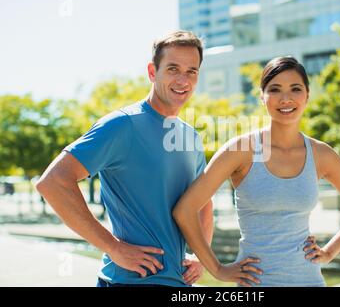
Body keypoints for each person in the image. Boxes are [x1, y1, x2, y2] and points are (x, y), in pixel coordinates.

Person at [173, 56, 340, 287]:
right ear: (262, 97)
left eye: (295, 89)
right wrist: (217, 269)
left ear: (307, 95)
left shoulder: (321, 154)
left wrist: (329, 252)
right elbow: (185, 210)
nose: (285, 98)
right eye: (275, 89)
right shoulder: (241, 150)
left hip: (310, 281)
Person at [35, 31, 213, 287]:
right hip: (128, 281)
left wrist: (201, 256)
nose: (182, 79)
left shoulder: (190, 136)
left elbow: (202, 202)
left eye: (191, 71)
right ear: (153, 72)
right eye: (173, 69)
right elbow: (53, 182)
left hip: (179, 284)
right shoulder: (123, 125)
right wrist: (113, 247)